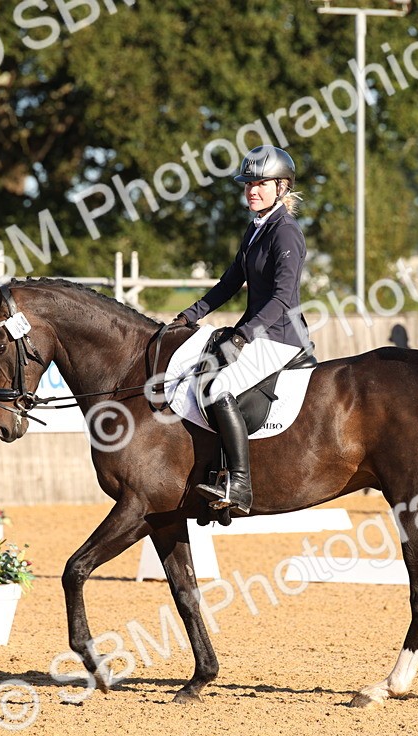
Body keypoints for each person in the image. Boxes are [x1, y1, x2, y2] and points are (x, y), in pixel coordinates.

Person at [167, 145, 311, 516]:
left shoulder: (286, 233)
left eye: (260, 184)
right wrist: (188, 316)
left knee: (219, 387)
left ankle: (240, 485)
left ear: (281, 187)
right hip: (258, 332)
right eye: (248, 184)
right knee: (199, 376)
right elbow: (229, 283)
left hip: (280, 336)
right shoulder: (255, 229)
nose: (251, 190)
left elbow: (282, 297)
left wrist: (244, 334)